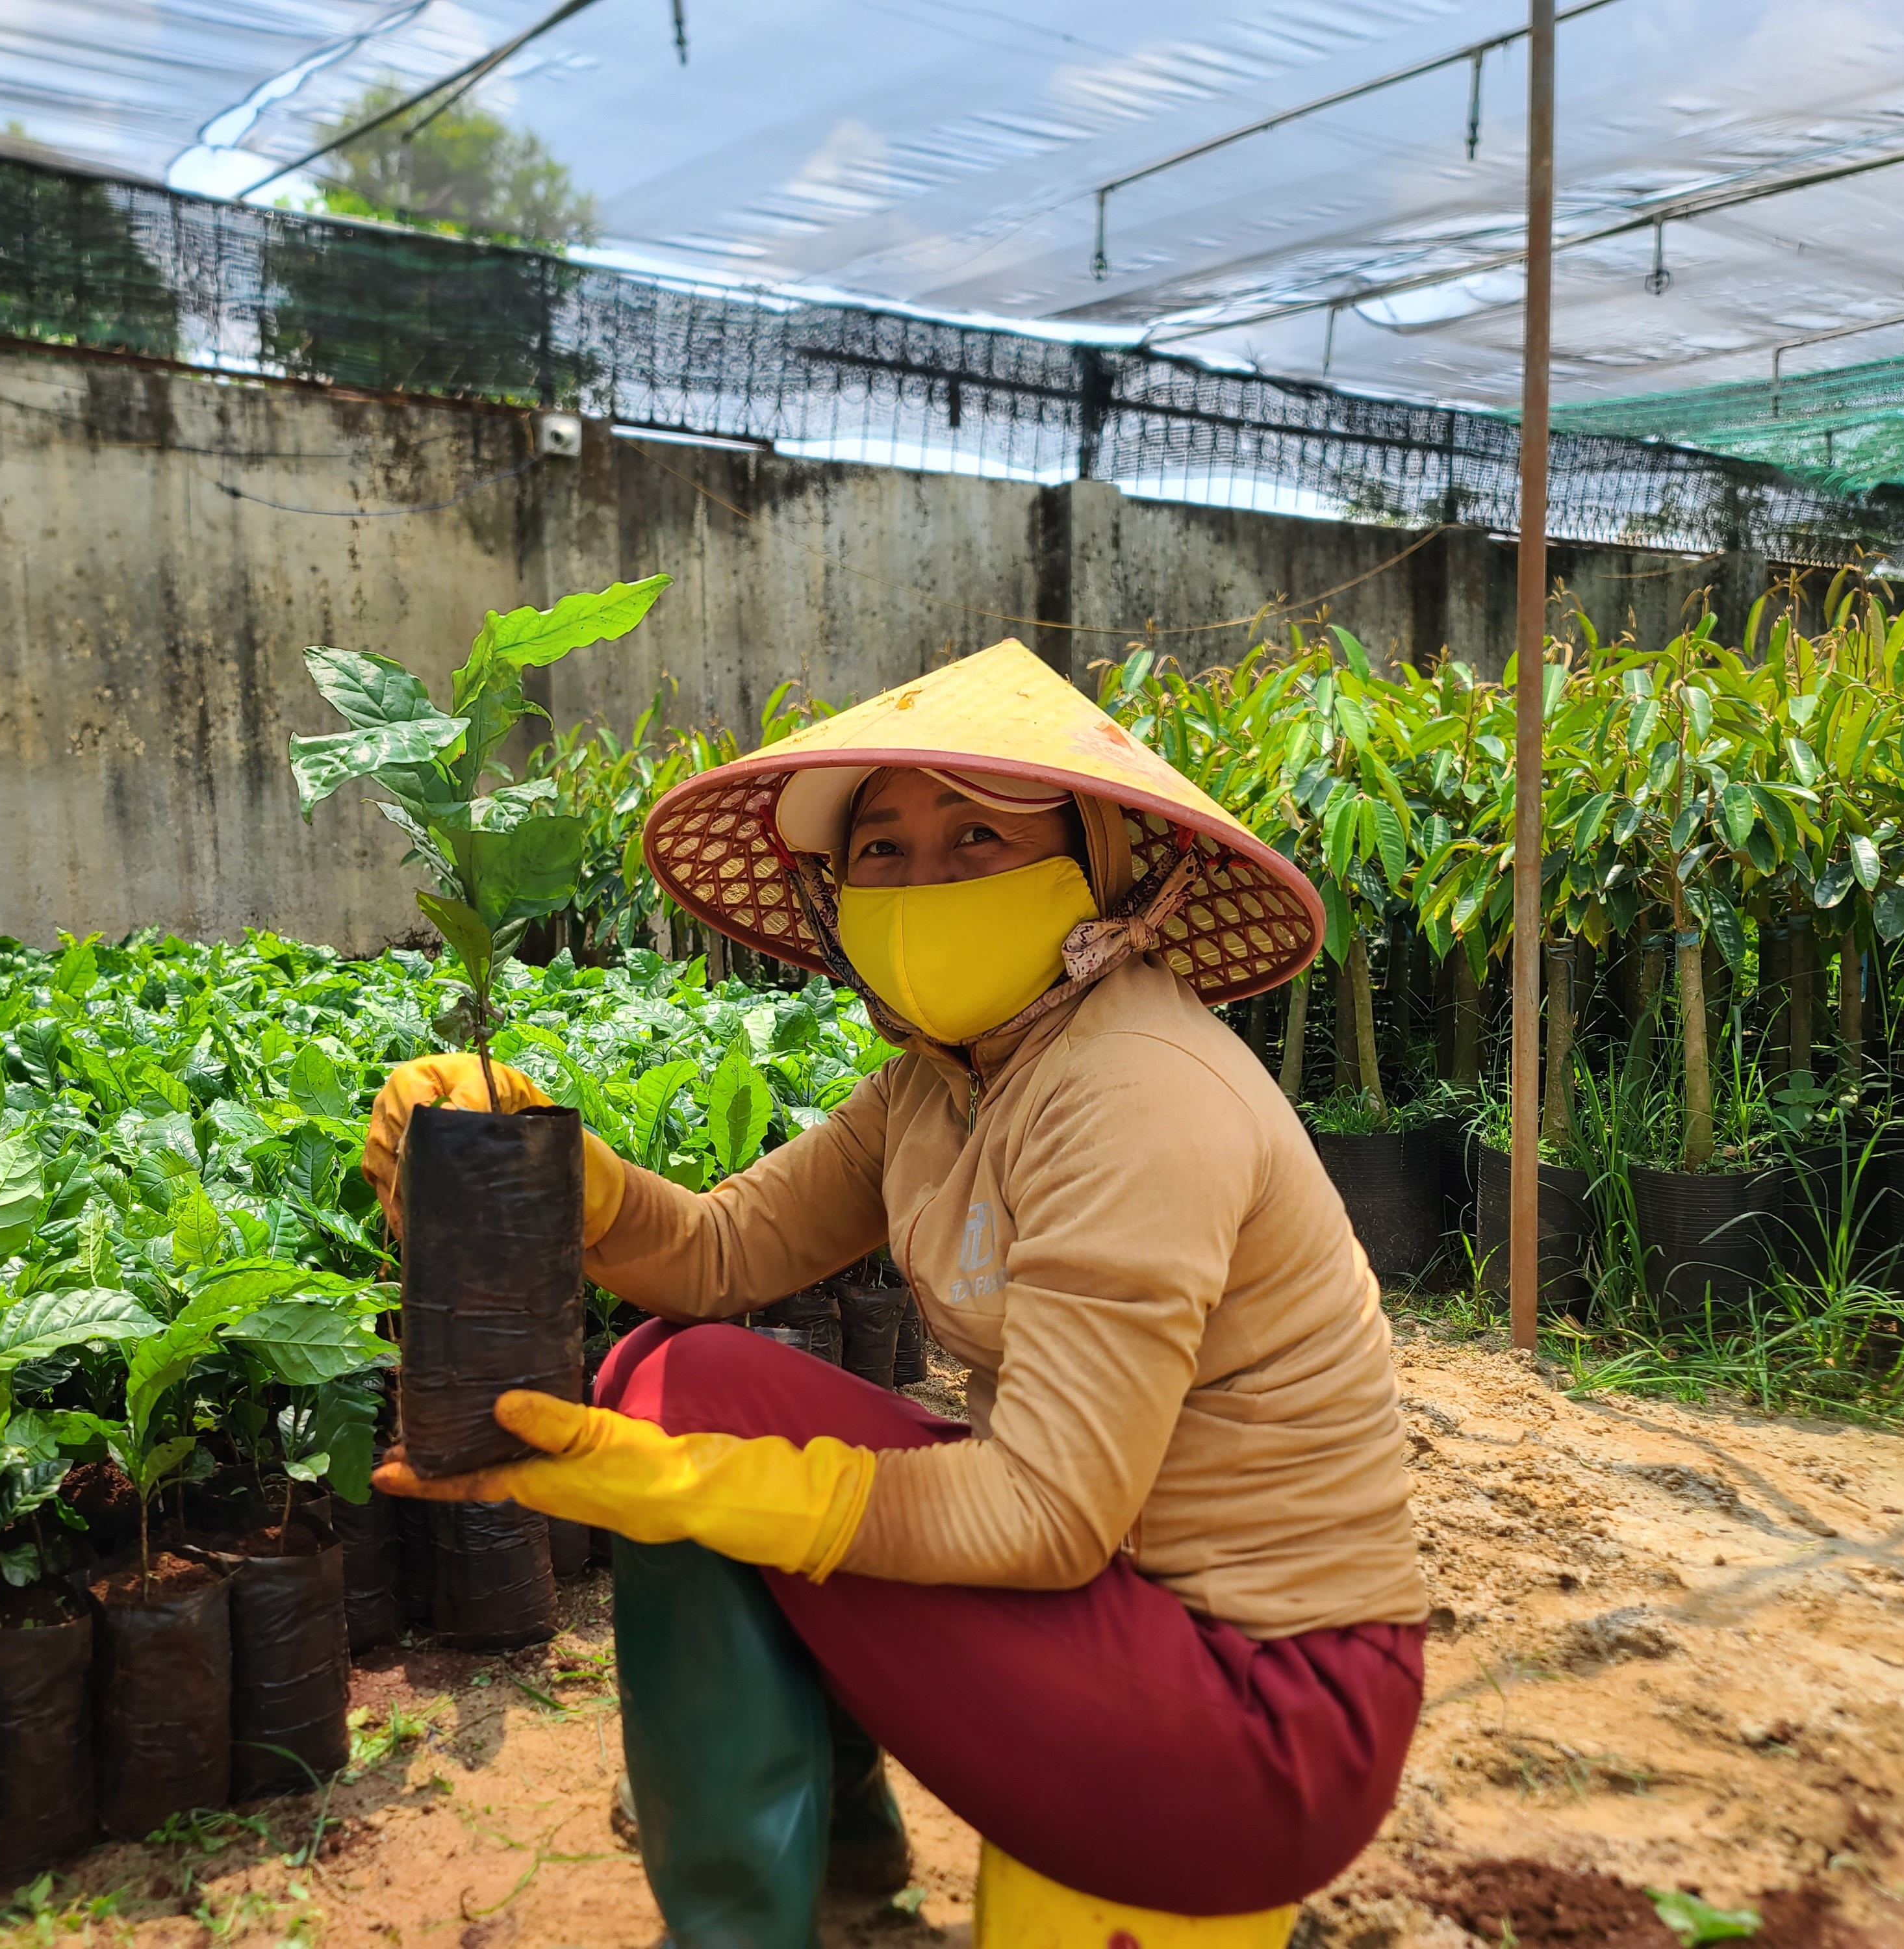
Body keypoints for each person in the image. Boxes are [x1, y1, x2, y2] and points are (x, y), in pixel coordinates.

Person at [362, 640, 1428, 1948]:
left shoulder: (1137, 1092)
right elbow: (714, 1250)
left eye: (977, 838)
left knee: (695, 1425)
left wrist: (694, 1486)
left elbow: (1041, 1514)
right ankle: (833, 1889)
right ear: (835, 892)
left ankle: (780, 1911)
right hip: (1127, 1632)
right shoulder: (943, 1082)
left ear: (1098, 869)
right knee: (678, 1374)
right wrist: (557, 1171)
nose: (921, 881)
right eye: (880, 849)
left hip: (1261, 1717)